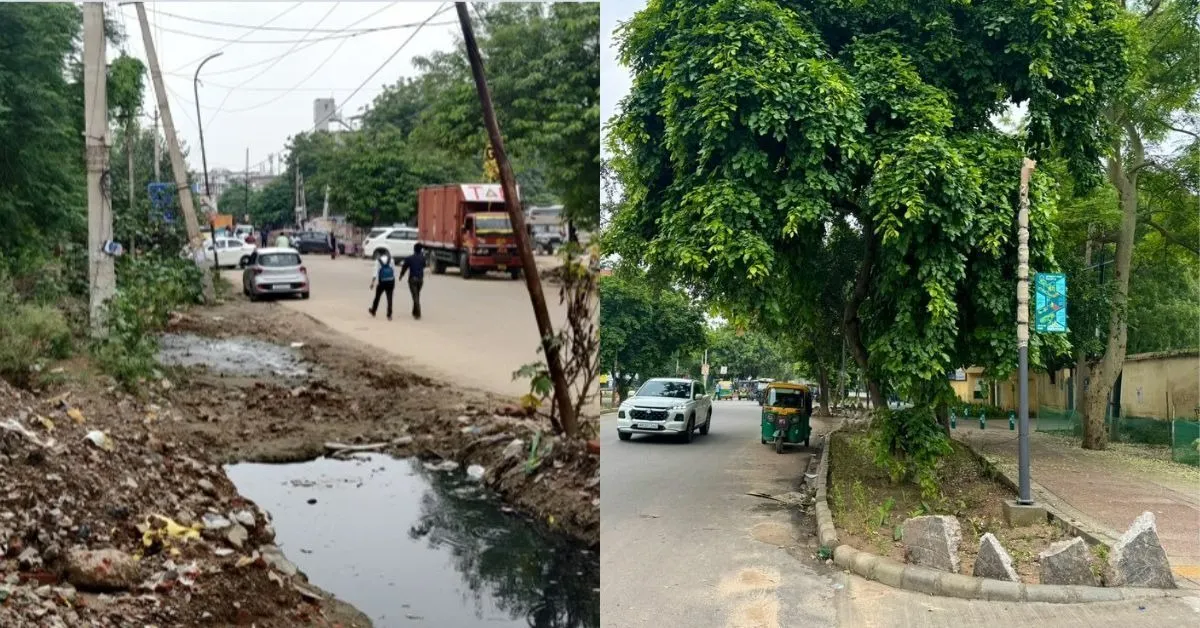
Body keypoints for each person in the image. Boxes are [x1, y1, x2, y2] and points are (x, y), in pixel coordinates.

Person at [397, 243, 426, 320]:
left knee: (415, 296)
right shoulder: (423, 258)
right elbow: (424, 266)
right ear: (421, 250)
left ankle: (418, 313)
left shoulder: (409, 258)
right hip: (420, 280)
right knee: (417, 295)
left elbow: (404, 267)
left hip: (412, 280)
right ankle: (414, 311)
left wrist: (401, 275)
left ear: (414, 249)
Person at [369, 253, 396, 320]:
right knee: (389, 298)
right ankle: (389, 315)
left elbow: (375, 272)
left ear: (379, 254)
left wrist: (372, 283)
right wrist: (393, 281)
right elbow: (394, 271)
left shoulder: (378, 261)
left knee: (377, 297)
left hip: (382, 282)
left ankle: (373, 311)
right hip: (391, 281)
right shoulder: (391, 260)